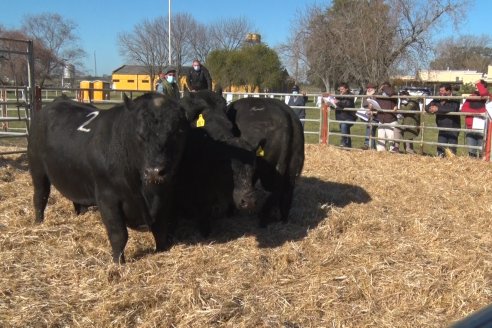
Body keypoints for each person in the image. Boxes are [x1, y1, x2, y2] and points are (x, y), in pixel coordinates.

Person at [425, 83, 461, 157]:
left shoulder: (455, 99)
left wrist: (438, 109)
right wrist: (430, 109)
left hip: (453, 128)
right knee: (440, 148)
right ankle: (440, 159)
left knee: (451, 150)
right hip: (441, 127)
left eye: (442, 91)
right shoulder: (438, 99)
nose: (440, 93)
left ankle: (452, 162)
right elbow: (427, 106)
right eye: (440, 91)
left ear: (449, 91)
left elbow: (453, 108)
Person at [461, 79, 490, 158]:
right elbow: (464, 109)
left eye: (479, 86)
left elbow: (484, 93)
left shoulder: (488, 97)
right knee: (471, 151)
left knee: (482, 151)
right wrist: (478, 113)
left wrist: (478, 83)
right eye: (476, 86)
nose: (477, 87)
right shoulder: (471, 97)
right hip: (470, 127)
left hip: (482, 128)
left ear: (484, 87)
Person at [372, 82, 398, 152]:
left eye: (385, 87)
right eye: (382, 87)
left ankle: (393, 151)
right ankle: (381, 151)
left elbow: (391, 92)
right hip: (381, 119)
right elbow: (374, 101)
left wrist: (384, 87)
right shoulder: (380, 95)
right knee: (381, 138)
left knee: (391, 138)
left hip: (390, 119)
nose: (383, 89)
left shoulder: (393, 95)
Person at [329, 82, 356, 148]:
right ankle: (348, 147)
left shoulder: (350, 96)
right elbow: (336, 106)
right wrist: (331, 104)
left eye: (342, 89)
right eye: (340, 89)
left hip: (349, 117)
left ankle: (343, 142)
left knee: (344, 126)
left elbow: (348, 104)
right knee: (346, 130)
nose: (341, 90)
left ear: (347, 89)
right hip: (341, 117)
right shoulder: (338, 96)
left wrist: (338, 102)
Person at [361, 83, 378, 150]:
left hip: (376, 116)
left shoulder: (377, 95)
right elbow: (364, 104)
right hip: (368, 116)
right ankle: (373, 148)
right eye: (368, 88)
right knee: (371, 131)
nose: (369, 89)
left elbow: (376, 105)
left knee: (370, 129)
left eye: (371, 88)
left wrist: (371, 97)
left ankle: (367, 144)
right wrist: (368, 98)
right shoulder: (365, 96)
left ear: (374, 89)